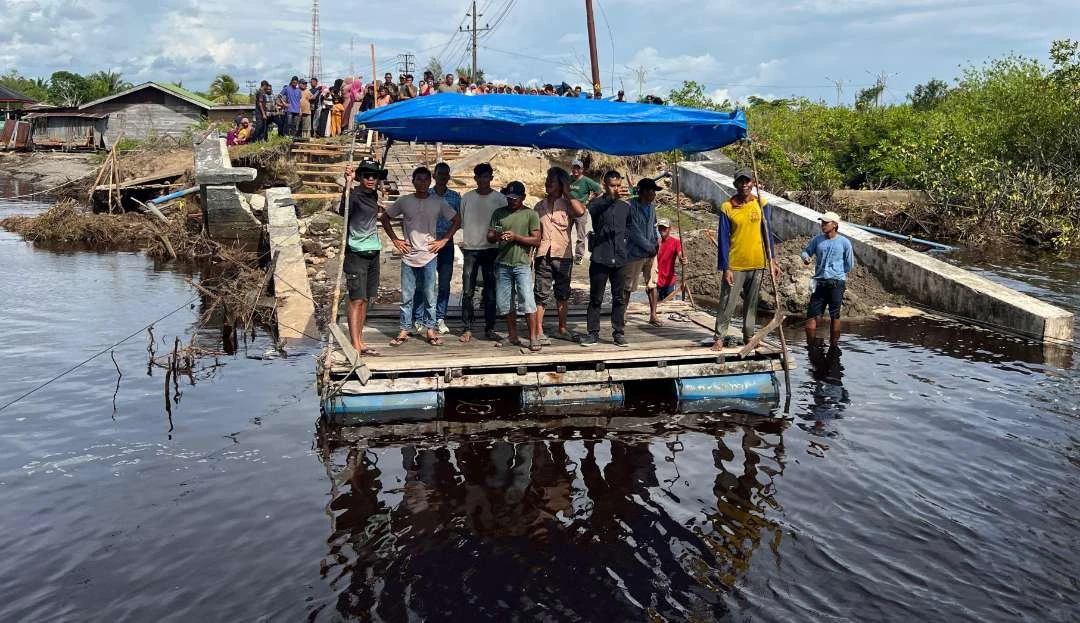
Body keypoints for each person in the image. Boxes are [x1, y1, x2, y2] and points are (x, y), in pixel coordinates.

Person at [381, 167, 460, 347]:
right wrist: (395, 240)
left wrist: (444, 240)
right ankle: (404, 328)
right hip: (408, 256)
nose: (422, 182)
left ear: (429, 181)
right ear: (413, 181)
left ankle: (430, 329)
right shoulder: (405, 201)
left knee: (429, 294)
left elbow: (457, 220)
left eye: (425, 179)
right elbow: (385, 217)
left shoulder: (438, 201)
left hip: (429, 255)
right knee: (407, 295)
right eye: (419, 179)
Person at [713, 169, 780, 350]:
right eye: (741, 182)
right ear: (736, 185)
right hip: (736, 264)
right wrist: (726, 267)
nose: (744, 185)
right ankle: (720, 336)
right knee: (728, 301)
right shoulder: (727, 207)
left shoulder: (761, 204)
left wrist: (772, 259)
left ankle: (748, 335)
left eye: (747, 181)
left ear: (753, 183)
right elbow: (723, 240)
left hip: (757, 263)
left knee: (751, 303)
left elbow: (768, 234)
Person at [338, 159, 388, 355]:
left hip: (373, 251)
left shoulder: (374, 194)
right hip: (356, 252)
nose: (370, 179)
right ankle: (354, 343)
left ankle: (360, 340)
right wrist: (347, 184)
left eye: (373, 176)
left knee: (366, 299)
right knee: (356, 299)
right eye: (366, 175)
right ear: (360, 177)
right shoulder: (354, 195)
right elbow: (344, 210)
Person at [533, 166, 586, 343]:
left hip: (563, 255)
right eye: (547, 180)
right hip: (543, 254)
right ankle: (539, 330)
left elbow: (580, 212)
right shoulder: (539, 206)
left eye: (552, 181)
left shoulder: (568, 205)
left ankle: (562, 329)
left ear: (561, 184)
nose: (547, 183)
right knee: (541, 293)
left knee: (562, 294)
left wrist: (568, 192)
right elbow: (535, 232)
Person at [487, 181, 542, 351]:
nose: (511, 201)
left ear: (523, 198)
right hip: (502, 263)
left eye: (515, 198)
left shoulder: (530, 214)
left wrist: (516, 237)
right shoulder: (499, 213)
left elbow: (537, 240)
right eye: (509, 198)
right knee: (505, 303)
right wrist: (496, 236)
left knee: (527, 300)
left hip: (521, 264)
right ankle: (512, 335)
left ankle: (533, 337)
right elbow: (489, 236)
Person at [581, 171, 631, 347]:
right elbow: (591, 210)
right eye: (612, 185)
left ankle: (618, 333)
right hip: (601, 258)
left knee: (619, 298)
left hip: (620, 259)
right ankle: (593, 333)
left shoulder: (626, 207)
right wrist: (611, 197)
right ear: (604, 185)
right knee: (596, 298)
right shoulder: (597, 204)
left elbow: (630, 228)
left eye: (618, 185)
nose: (616, 189)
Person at [458, 163, 506, 343]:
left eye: (487, 176)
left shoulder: (500, 198)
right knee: (468, 290)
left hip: (492, 250)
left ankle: (490, 328)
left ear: (491, 178)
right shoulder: (467, 198)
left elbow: (503, 220)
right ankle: (467, 327)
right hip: (471, 249)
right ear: (475, 179)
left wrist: (497, 236)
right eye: (480, 177)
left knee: (491, 290)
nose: (484, 180)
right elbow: (462, 220)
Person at [413, 162, 460, 335]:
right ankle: (419, 317)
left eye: (446, 174)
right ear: (435, 175)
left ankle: (439, 317)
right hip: (426, 244)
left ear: (449, 177)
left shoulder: (455, 197)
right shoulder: (426, 195)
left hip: (446, 244)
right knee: (423, 282)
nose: (443, 177)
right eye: (440, 174)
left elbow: (458, 221)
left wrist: (446, 238)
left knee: (444, 283)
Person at [801, 211, 855, 348]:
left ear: (835, 225)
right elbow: (806, 251)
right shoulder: (817, 240)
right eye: (822, 222)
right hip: (820, 282)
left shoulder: (844, 243)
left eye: (826, 223)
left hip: (836, 283)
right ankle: (811, 344)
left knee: (835, 315)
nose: (823, 225)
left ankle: (834, 345)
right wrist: (806, 257)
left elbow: (849, 264)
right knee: (812, 314)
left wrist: (837, 275)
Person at [624, 178, 662, 326]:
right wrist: (649, 247)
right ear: (644, 191)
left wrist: (656, 242)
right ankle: (623, 314)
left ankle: (653, 315)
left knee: (652, 284)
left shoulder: (651, 207)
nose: (654, 194)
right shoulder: (630, 206)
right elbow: (634, 231)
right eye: (652, 191)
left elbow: (653, 225)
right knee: (628, 286)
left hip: (651, 252)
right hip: (634, 252)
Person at [569, 159, 602, 264]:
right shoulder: (568, 179)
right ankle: (566, 254)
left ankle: (579, 256)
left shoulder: (586, 181)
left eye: (578, 168)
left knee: (580, 235)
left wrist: (588, 201)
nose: (575, 170)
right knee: (565, 233)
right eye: (574, 167)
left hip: (581, 211)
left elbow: (599, 190)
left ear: (582, 170)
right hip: (568, 210)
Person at [655, 218, 686, 301]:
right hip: (657, 281)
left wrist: (682, 259)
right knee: (656, 305)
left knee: (669, 306)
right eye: (660, 228)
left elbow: (680, 254)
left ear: (670, 229)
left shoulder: (676, 242)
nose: (662, 230)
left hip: (669, 282)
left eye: (664, 228)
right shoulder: (656, 242)